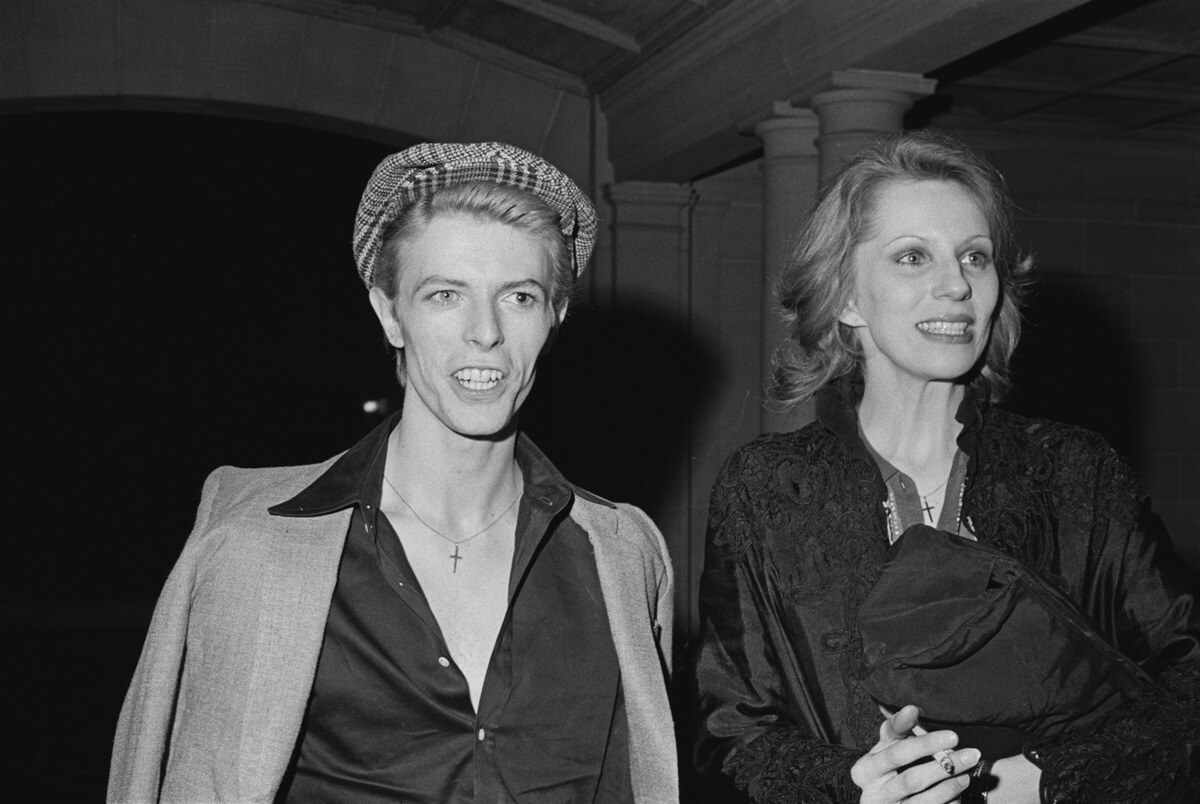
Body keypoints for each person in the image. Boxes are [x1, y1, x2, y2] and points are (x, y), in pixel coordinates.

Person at [108, 142, 678, 804]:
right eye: (444, 295)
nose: (485, 332)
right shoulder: (252, 548)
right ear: (389, 313)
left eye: (519, 296)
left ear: (555, 314)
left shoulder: (623, 553)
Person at [692, 132, 1199, 803]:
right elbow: (733, 736)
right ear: (845, 296)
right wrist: (854, 787)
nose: (956, 284)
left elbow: (1187, 688)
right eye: (912, 257)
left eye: (975, 257)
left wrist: (1045, 780)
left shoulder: (1077, 473)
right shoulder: (765, 487)